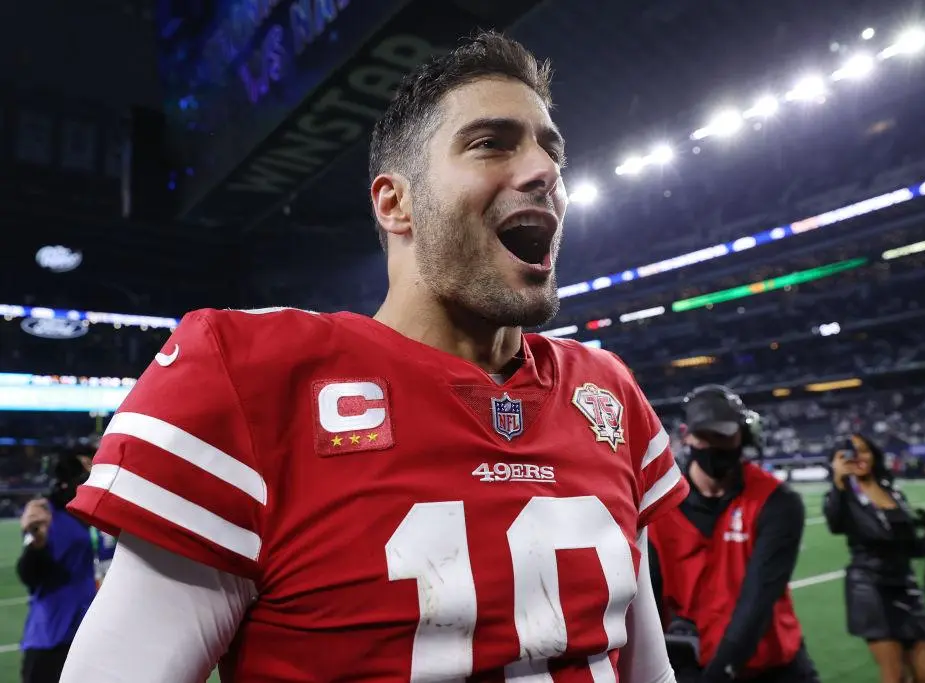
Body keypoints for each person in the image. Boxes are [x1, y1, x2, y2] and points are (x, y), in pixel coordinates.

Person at [57, 30, 688, 683]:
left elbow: (647, 667)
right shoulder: (251, 376)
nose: (544, 171)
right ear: (396, 203)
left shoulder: (605, 393)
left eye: (550, 150)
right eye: (490, 143)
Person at [648, 385, 819, 683]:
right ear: (686, 435)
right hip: (690, 667)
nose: (714, 445)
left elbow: (758, 599)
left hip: (771, 667)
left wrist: (720, 672)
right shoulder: (657, 507)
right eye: (705, 436)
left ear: (743, 435)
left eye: (724, 436)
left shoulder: (777, 500)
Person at [824, 434, 925, 683]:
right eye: (850, 453)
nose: (858, 457)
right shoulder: (844, 495)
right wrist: (838, 482)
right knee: (894, 675)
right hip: (870, 587)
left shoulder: (894, 494)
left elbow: (914, 548)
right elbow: (835, 523)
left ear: (874, 454)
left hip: (905, 585)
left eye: (864, 450)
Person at [17, 451, 95, 683]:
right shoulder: (44, 513)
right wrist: (36, 544)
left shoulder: (86, 514)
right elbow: (29, 573)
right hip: (53, 636)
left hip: (86, 632)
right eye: (84, 472)